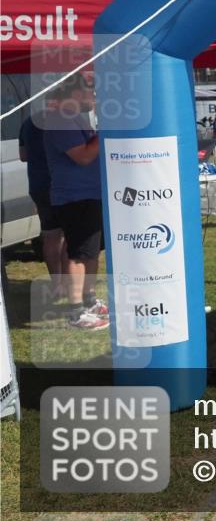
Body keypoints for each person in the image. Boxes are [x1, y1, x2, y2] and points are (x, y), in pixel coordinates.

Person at [43, 73, 108, 330]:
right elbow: (82, 156)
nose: (93, 97)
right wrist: (106, 131)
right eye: (90, 91)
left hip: (89, 195)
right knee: (78, 253)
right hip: (74, 196)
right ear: (75, 93)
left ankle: (89, 301)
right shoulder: (60, 120)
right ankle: (75, 311)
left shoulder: (74, 118)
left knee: (90, 251)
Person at [19, 104, 68, 299]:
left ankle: (56, 284)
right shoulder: (64, 121)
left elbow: (23, 156)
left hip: (39, 185)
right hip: (62, 184)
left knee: (50, 235)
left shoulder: (28, 122)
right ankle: (68, 283)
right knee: (69, 235)